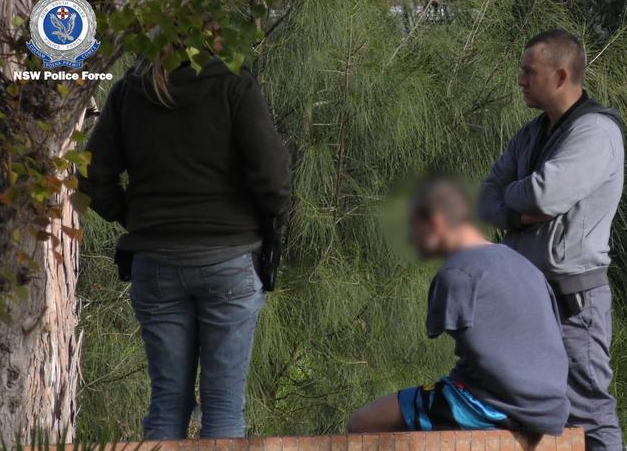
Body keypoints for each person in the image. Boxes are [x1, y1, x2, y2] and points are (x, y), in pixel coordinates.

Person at [77, 46, 292, 439]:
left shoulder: (131, 88)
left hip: (155, 263)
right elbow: (273, 179)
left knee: (167, 403)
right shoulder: (234, 83)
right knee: (224, 405)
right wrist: (266, 223)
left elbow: (91, 175)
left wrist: (137, 218)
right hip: (230, 260)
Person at [479, 29, 624, 451]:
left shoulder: (596, 132)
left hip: (573, 302)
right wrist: (521, 208)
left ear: (561, 76)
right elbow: (487, 199)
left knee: (590, 415)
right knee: (519, 411)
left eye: (529, 72)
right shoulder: (530, 133)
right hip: (526, 299)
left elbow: (545, 194)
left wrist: (523, 200)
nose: (520, 80)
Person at [347, 177, 570, 437]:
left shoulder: (457, 272)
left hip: (494, 406)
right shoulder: (525, 266)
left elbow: (469, 363)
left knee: (362, 422)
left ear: (436, 223)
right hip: (549, 411)